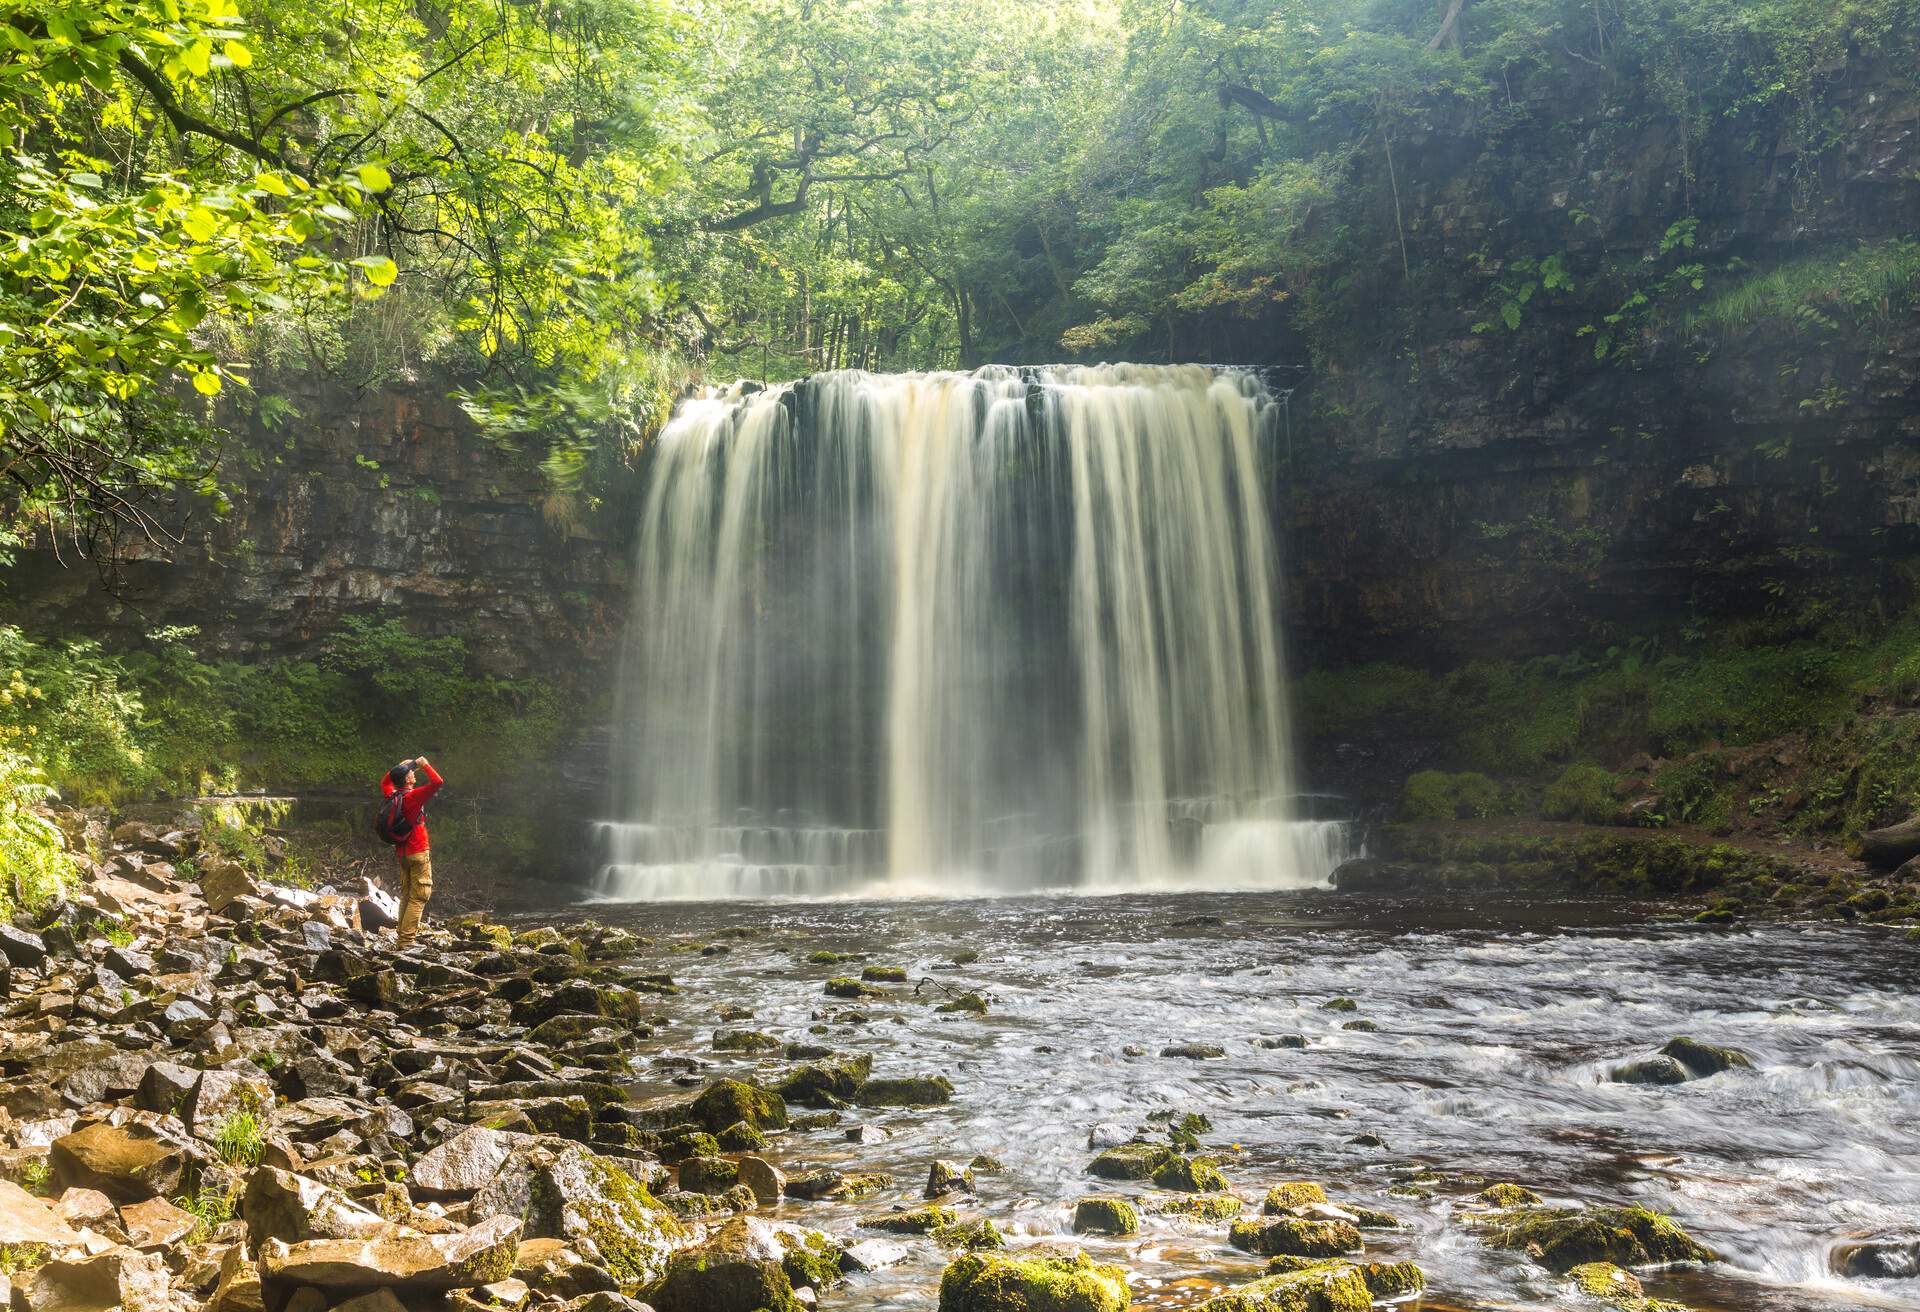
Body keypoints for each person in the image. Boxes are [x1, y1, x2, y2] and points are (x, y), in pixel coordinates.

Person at [379, 755, 443, 945]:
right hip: (418, 851)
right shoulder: (413, 796)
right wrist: (424, 765)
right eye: (411, 772)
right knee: (420, 895)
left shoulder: (392, 794)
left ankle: (402, 936)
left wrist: (407, 765)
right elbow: (438, 782)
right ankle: (406, 941)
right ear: (407, 779)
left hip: (402, 853)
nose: (414, 773)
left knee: (407, 894)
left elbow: (386, 780)